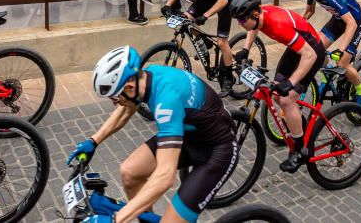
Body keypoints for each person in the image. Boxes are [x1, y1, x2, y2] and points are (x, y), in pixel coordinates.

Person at [68, 45, 238, 223]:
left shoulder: (166, 102)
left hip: (216, 151)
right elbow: (126, 110)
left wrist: (117, 219)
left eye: (115, 97)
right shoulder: (146, 76)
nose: (115, 103)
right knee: (129, 172)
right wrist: (94, 141)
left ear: (130, 86)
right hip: (187, 135)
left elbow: (165, 177)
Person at [230, 0, 325, 172]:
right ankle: (300, 127)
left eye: (242, 20)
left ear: (255, 14)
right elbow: (254, 27)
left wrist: (290, 83)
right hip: (297, 49)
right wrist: (245, 49)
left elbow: (309, 55)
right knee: (275, 94)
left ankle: (300, 150)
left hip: (311, 53)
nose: (240, 24)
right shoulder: (259, 15)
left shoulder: (277, 25)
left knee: (286, 98)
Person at [296, 0, 361, 106]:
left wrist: (341, 49)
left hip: (355, 22)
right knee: (315, 50)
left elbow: (351, 24)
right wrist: (297, 26)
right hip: (337, 21)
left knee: (342, 62)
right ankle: (327, 79)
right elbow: (309, 11)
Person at [161, 0, 236, 93]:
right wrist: (168, 5)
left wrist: (206, 16)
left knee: (221, 42)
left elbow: (223, 0)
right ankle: (204, 41)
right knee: (186, 18)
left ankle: (228, 77)